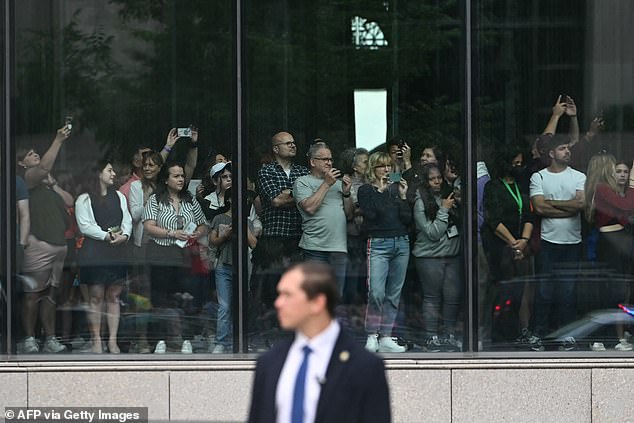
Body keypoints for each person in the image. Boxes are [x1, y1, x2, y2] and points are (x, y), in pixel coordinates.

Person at [248, 261, 391, 423]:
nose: (278, 303)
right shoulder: (269, 363)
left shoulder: (365, 367)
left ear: (317, 302)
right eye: (279, 294)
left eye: (287, 295)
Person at [17, 125, 73, 353]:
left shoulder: (47, 186)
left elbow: (69, 201)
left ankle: (50, 338)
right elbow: (43, 167)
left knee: (51, 295)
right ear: (22, 163)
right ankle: (30, 338)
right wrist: (58, 140)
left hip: (59, 246)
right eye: (29, 154)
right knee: (32, 294)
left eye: (34, 152)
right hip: (38, 245)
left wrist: (54, 184)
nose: (35, 154)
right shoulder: (26, 179)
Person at [143, 162, 207, 354]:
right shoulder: (155, 199)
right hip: (161, 252)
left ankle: (186, 339)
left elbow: (203, 224)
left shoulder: (190, 199)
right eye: (176, 176)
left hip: (185, 253)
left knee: (187, 296)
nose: (181, 179)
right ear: (166, 179)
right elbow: (148, 226)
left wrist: (197, 233)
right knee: (161, 297)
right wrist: (171, 233)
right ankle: (160, 339)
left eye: (182, 176)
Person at [529, 134, 586, 350]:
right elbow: (539, 208)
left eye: (568, 148)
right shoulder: (539, 177)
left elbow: (580, 204)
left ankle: (567, 336)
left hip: (572, 242)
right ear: (552, 153)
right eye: (562, 148)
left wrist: (551, 204)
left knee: (568, 292)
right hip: (548, 241)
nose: (567, 151)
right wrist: (567, 209)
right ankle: (538, 335)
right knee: (543, 291)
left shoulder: (578, 176)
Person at [251, 131, 309, 340]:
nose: (293, 146)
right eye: (288, 143)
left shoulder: (303, 170)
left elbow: (305, 196)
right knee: (274, 289)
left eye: (294, 143)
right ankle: (271, 332)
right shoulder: (266, 171)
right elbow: (275, 200)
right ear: (276, 149)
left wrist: (288, 194)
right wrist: (299, 195)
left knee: (297, 289)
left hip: (298, 237)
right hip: (274, 238)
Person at [75, 159, 132, 353]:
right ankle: (96, 340)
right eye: (109, 170)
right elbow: (85, 226)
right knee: (96, 296)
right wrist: (106, 236)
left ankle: (113, 340)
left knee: (114, 296)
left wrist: (124, 235)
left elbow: (127, 219)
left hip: (117, 249)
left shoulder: (119, 196)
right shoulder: (84, 198)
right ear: (99, 173)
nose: (113, 174)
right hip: (94, 251)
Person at [358, 152, 411, 353]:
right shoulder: (366, 190)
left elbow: (407, 219)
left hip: (401, 242)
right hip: (379, 243)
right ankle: (372, 335)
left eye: (389, 165)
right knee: (376, 292)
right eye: (381, 166)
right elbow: (371, 215)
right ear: (373, 169)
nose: (387, 169)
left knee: (393, 294)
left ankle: (386, 336)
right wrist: (380, 190)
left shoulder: (396, 190)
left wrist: (404, 197)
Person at [482, 146, 535, 343]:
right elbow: (493, 220)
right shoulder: (493, 186)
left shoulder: (521, 185)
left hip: (521, 244)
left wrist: (524, 241)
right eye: (515, 163)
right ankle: (498, 335)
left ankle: (515, 333)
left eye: (521, 164)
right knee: (502, 291)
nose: (518, 167)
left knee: (519, 292)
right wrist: (514, 244)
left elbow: (529, 214)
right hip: (501, 246)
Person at [584, 154, 634, 351]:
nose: (616, 171)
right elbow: (626, 206)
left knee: (617, 292)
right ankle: (605, 338)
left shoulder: (604, 189)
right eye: (614, 167)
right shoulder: (602, 188)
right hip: (610, 244)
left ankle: (613, 337)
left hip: (615, 241)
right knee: (610, 292)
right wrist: (632, 183)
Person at [412, 163, 463, 352]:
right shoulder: (420, 201)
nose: (436, 181)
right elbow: (432, 233)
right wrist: (444, 210)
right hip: (429, 257)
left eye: (439, 178)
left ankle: (449, 335)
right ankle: (431, 336)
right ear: (425, 181)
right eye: (432, 179)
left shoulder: (449, 195)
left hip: (452, 254)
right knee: (432, 297)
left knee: (453, 296)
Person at [293, 142, 353, 296]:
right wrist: (326, 184)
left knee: (335, 297)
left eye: (331, 159)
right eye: (324, 159)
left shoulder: (338, 183)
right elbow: (310, 208)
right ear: (313, 162)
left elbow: (349, 214)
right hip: (315, 249)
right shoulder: (302, 182)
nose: (329, 162)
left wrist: (346, 194)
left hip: (339, 248)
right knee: (315, 297)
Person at [209, 187, 258, 353]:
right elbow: (213, 241)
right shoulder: (219, 218)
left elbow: (253, 244)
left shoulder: (247, 220)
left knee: (242, 304)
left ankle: (240, 340)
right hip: (224, 265)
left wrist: (241, 224)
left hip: (243, 267)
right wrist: (225, 234)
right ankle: (221, 341)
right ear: (230, 199)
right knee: (224, 305)